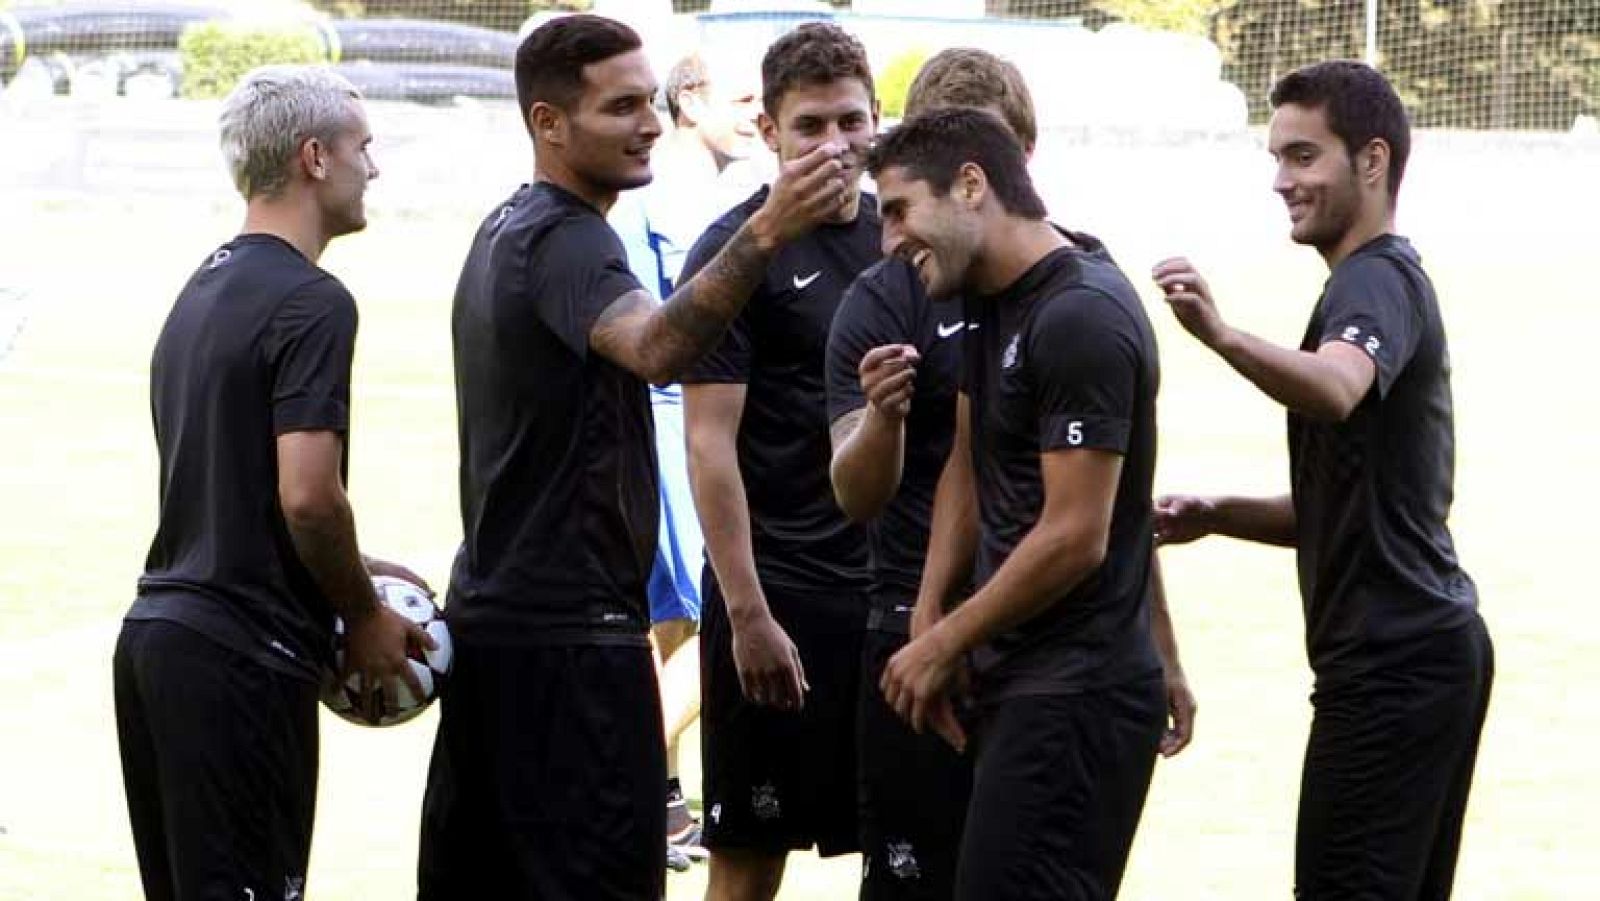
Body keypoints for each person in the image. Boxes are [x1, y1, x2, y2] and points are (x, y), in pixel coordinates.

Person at [417, 15, 855, 900]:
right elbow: (656, 348)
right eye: (621, 107)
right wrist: (767, 231)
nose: (651, 123)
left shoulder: (505, 225)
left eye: (650, 102)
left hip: (499, 625)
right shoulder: (568, 237)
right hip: (568, 642)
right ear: (548, 123)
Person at [826, 47, 1195, 900]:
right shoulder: (987, 301)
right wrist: (929, 617)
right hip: (1012, 676)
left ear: (971, 184)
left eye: (898, 211)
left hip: (1079, 692)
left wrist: (945, 643)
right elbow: (968, 457)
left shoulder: (1081, 315)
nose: (887, 242)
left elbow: (1078, 533)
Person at [1150, 60, 1493, 900]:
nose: (1281, 181)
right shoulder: (1370, 281)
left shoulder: (1373, 280)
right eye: (1277, 159)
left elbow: (1337, 387)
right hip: (1423, 655)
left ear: (1371, 162)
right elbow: (1351, 505)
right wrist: (1218, 513)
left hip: (1395, 667)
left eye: (1304, 157)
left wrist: (1222, 336)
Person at [114, 64, 431, 900]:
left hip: (157, 642)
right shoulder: (312, 300)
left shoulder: (200, 288)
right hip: (238, 657)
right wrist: (363, 612)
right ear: (315, 157)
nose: (377, 167)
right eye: (365, 147)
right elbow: (306, 494)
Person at [680, 22, 880, 901]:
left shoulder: (903, 238)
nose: (835, 146)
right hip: (779, 599)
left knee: (907, 855)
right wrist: (748, 614)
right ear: (769, 132)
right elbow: (708, 442)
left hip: (889, 601)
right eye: (811, 127)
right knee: (749, 865)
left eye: (851, 122)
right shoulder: (733, 258)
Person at [607, 47, 767, 867]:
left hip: (693, 427)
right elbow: (644, 330)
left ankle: (661, 805)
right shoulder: (651, 194)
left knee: (672, 627)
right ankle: (622, 783)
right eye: (744, 97)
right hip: (671, 430)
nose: (756, 113)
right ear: (691, 99)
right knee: (707, 623)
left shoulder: (714, 188)